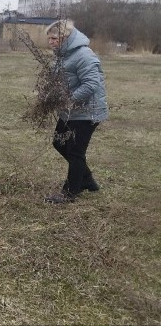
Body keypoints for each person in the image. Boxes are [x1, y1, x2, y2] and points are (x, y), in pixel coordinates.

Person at [44, 21, 108, 204]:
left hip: (87, 112)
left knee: (75, 151)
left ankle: (70, 192)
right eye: (49, 38)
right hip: (70, 111)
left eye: (54, 38)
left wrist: (68, 99)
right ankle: (87, 180)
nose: (50, 42)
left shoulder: (83, 55)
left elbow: (91, 84)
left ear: (66, 37)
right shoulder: (63, 56)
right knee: (59, 142)